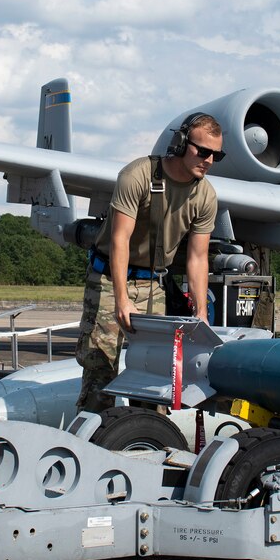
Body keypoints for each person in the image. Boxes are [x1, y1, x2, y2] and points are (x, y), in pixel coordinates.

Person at [75, 112, 221, 415]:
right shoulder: (138, 175)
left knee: (157, 378)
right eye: (202, 151)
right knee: (100, 369)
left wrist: (201, 312)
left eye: (216, 155)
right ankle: (89, 441)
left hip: (153, 281)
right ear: (181, 143)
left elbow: (197, 257)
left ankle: (146, 442)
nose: (208, 160)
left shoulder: (205, 195)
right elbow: (120, 241)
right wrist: (122, 299)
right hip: (110, 278)